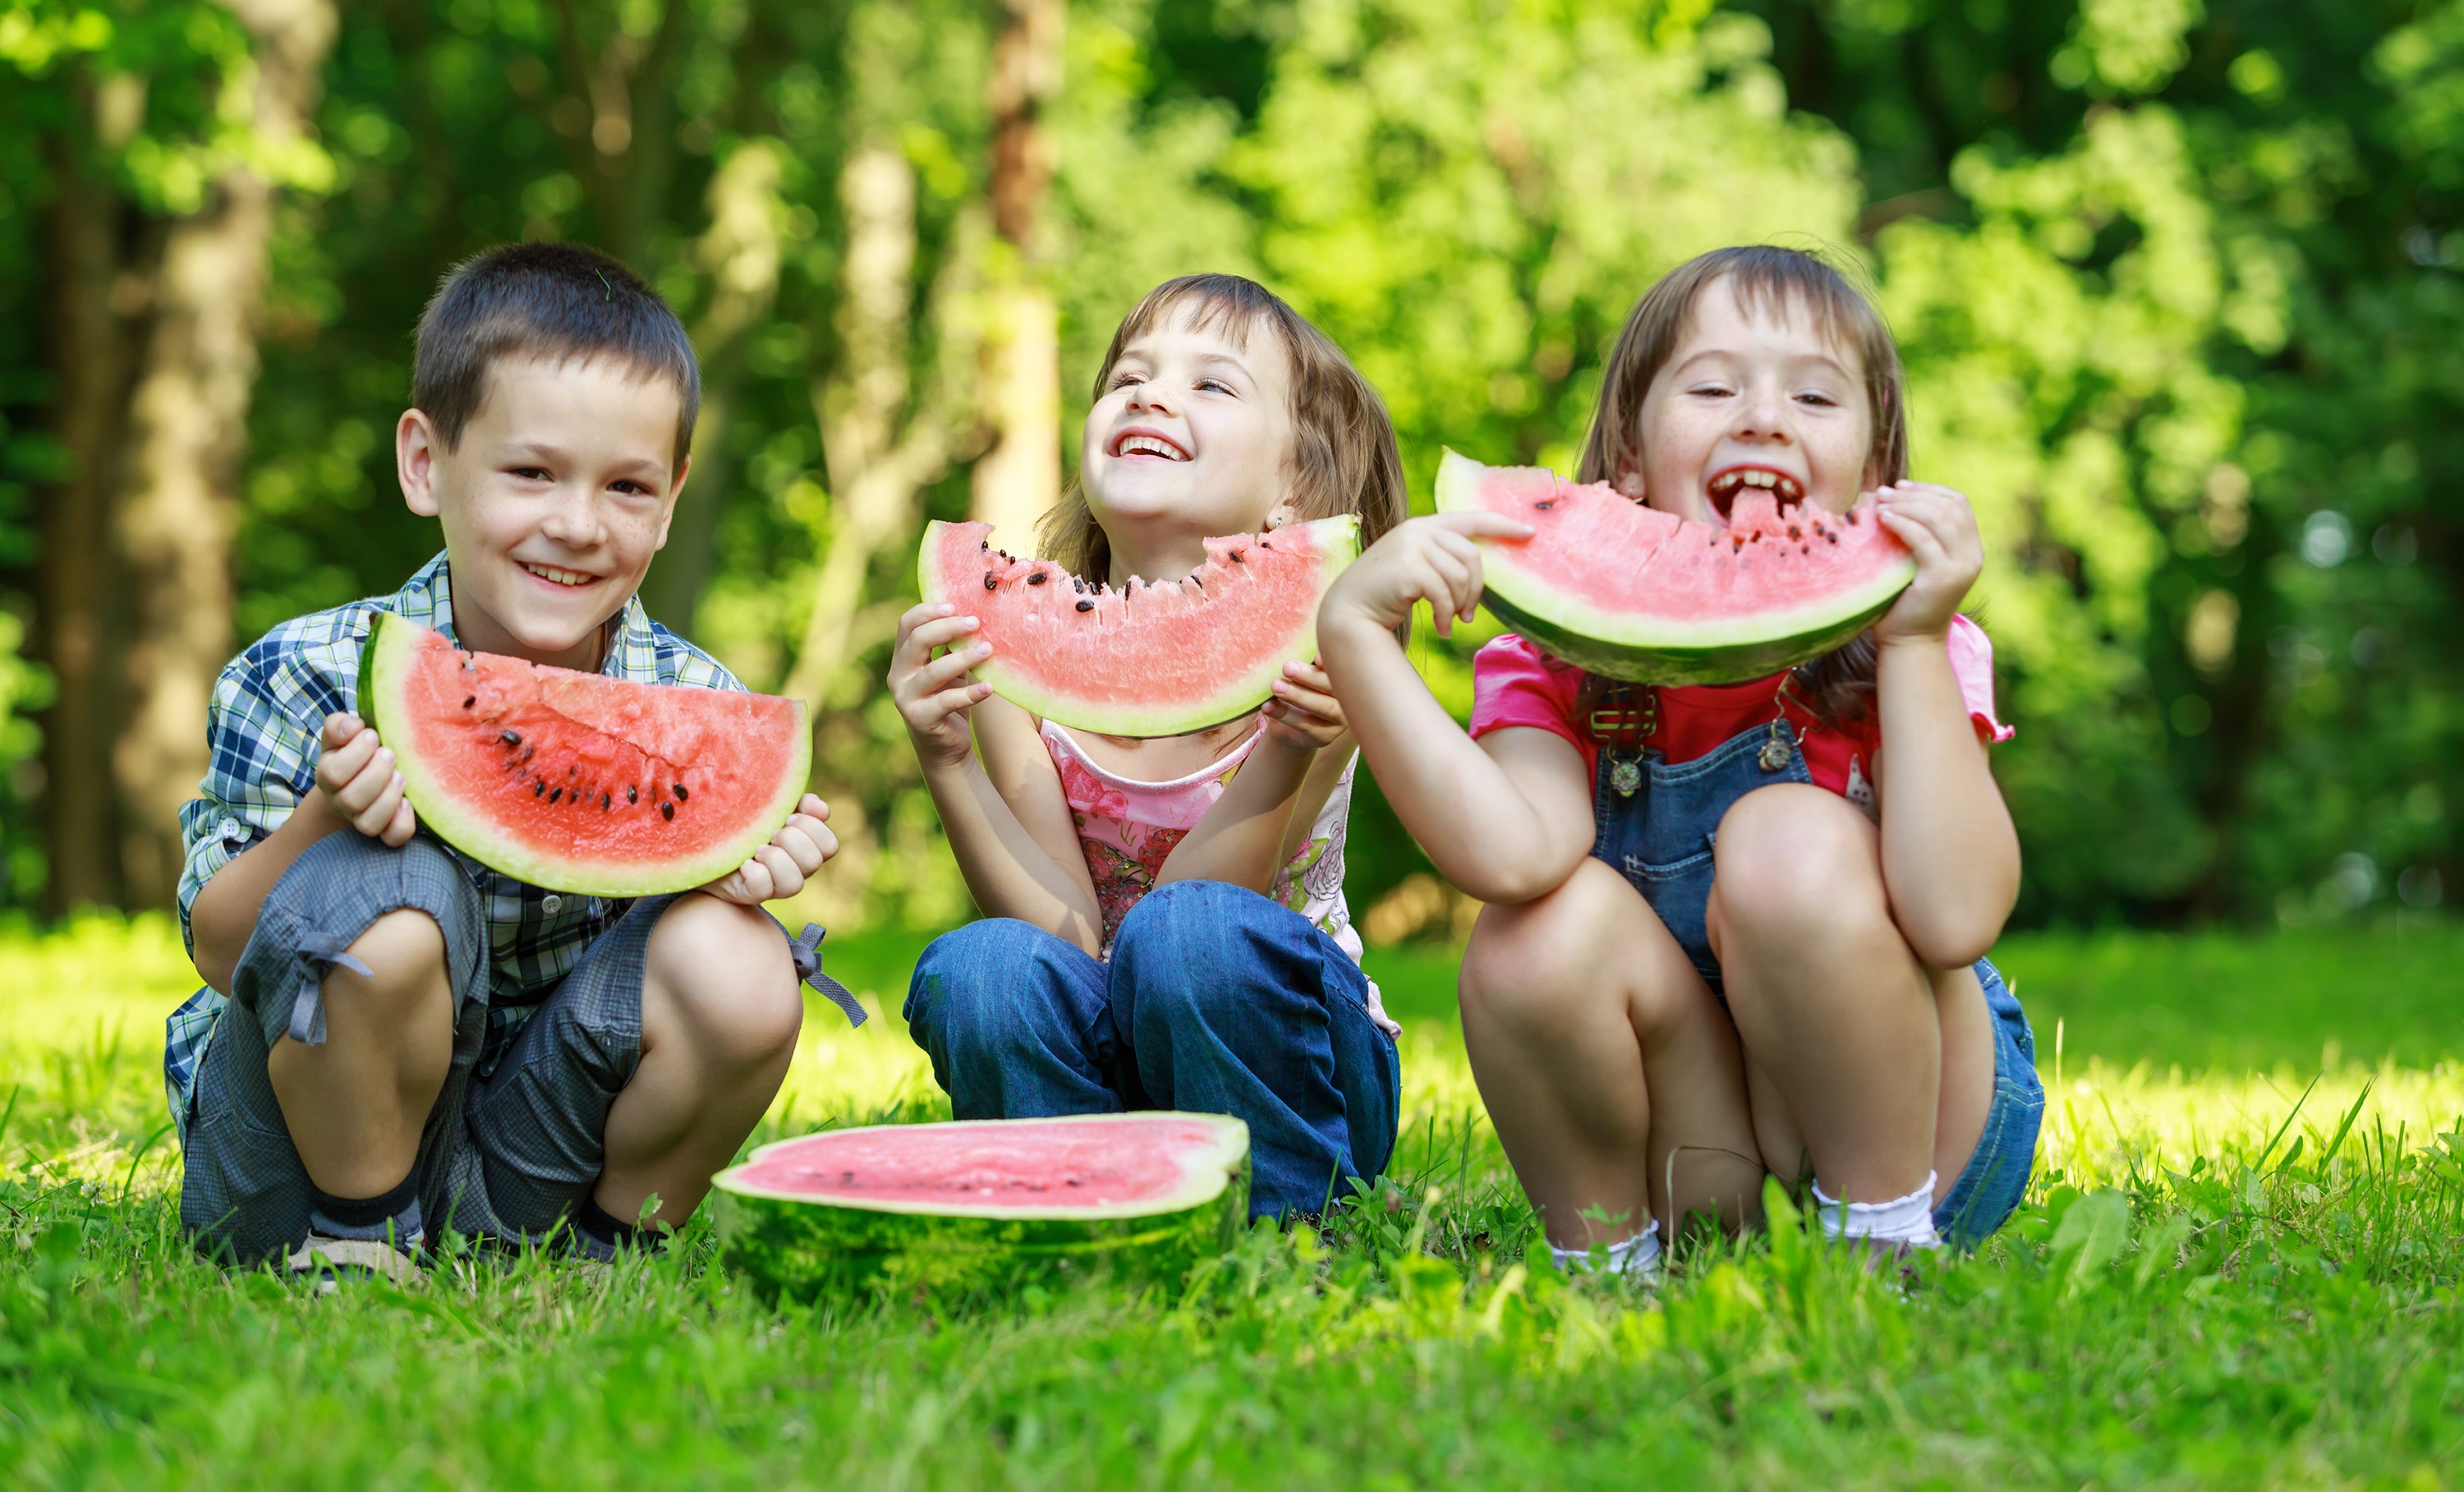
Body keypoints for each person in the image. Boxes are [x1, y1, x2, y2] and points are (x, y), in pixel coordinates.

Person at [1317, 245, 2043, 1281]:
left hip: (1926, 1135)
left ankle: (1882, 1244)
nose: (1762, 415)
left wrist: (1920, 644)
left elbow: (1956, 915)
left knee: (1785, 836)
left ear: (1879, 475)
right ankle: (1611, 1266)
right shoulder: (1548, 658)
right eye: (1711, 386)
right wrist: (1354, 633)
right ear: (1626, 461)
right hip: (1715, 1156)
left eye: (1814, 394)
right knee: (1530, 936)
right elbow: (1513, 857)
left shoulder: (1908, 638)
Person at [168, 242, 839, 1281]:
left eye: (627, 486)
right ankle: (361, 1245)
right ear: (426, 462)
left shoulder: (693, 700)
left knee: (745, 961)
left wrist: (736, 865)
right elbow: (216, 950)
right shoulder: (303, 671)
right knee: (382, 889)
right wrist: (321, 825)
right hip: (287, 1171)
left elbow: (695, 962)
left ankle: (600, 1257)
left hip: (539, 1159)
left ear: (670, 502)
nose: (576, 525)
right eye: (531, 472)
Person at [889, 274, 1409, 1220]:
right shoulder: (1009, 659)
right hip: (1104, 1058)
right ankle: (1078, 1217)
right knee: (982, 965)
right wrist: (946, 757)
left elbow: (1190, 918)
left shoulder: (1322, 655)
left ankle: (1291, 1230)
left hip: (1304, 1067)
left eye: (1212, 385)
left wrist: (1289, 747)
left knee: (1190, 932)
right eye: (1129, 375)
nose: (1151, 393)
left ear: (1294, 484)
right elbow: (1064, 940)